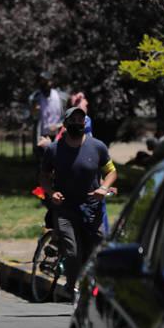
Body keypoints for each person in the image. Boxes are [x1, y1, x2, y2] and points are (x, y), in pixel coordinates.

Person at [40, 106, 118, 292]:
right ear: (65, 125)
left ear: (85, 123)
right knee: (72, 251)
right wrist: (51, 193)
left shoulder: (97, 147)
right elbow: (43, 175)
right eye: (73, 121)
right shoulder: (53, 150)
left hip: (91, 208)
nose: (77, 124)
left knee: (96, 249)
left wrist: (104, 187)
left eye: (80, 120)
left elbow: (111, 171)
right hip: (65, 208)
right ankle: (71, 285)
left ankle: (94, 287)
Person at [29, 71, 68, 159]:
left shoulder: (60, 97)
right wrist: (34, 109)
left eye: (46, 81)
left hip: (58, 135)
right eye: (41, 82)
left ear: (51, 82)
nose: (44, 84)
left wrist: (58, 125)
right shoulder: (36, 97)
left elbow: (67, 116)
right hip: (42, 135)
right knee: (43, 163)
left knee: (57, 160)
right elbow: (32, 116)